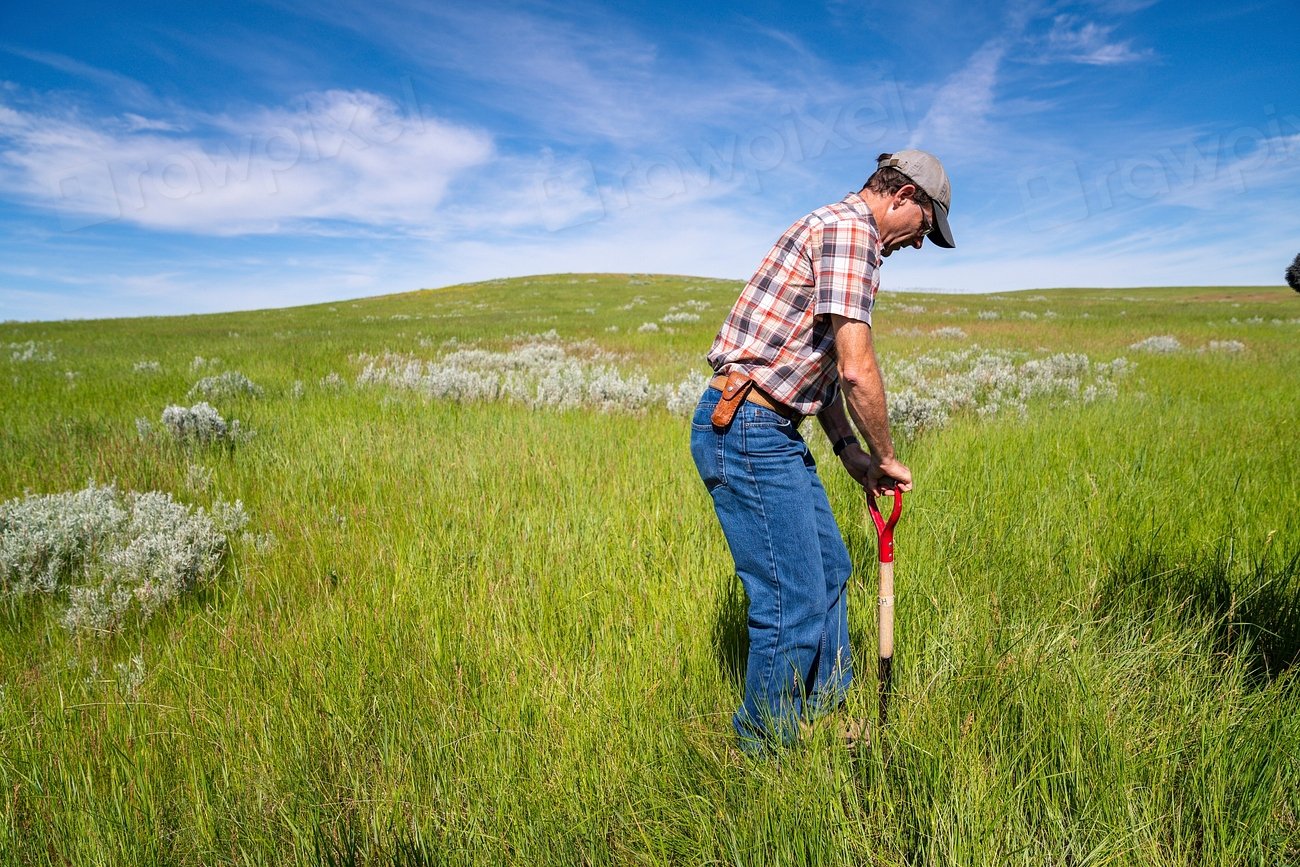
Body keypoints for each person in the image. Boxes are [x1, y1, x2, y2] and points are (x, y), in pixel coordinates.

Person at [690, 150, 956, 752]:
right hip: (748, 426)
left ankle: (829, 708)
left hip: (773, 426)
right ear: (902, 196)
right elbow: (858, 370)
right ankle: (765, 748)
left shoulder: (842, 233)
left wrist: (847, 450)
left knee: (831, 570)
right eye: (926, 227)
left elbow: (820, 369)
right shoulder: (849, 233)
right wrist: (885, 455)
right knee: (792, 597)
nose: (920, 244)